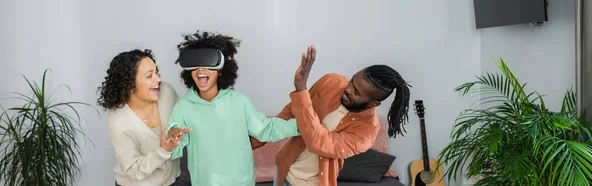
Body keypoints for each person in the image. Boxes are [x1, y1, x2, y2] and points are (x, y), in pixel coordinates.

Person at [165, 31, 300, 186]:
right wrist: (172, 138)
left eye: (208, 64)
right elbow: (174, 146)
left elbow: (267, 129)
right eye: (196, 65)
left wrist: (302, 126)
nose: (201, 70)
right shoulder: (184, 107)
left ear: (221, 70)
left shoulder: (239, 102)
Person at [269, 45, 412, 186]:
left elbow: (318, 142)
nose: (348, 89)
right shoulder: (331, 81)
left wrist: (301, 89)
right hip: (284, 170)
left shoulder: (366, 131)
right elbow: (292, 111)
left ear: (373, 103)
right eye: (351, 81)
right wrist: (256, 138)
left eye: (356, 92)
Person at [97, 49, 190, 186]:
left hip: (175, 180)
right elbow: (134, 170)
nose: (157, 79)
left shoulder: (166, 92)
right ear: (130, 84)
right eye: (149, 76)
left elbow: (187, 112)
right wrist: (164, 149)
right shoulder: (118, 120)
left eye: (156, 72)